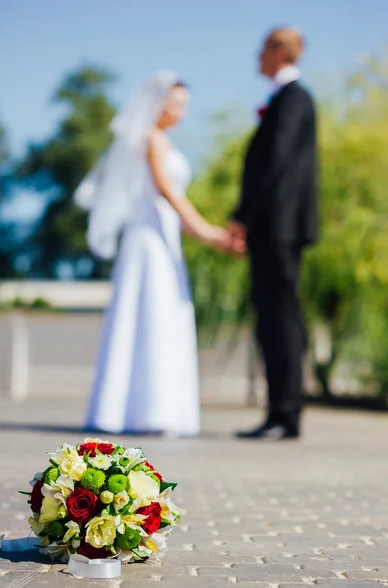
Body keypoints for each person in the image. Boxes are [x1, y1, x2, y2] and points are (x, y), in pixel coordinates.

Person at [74, 70, 242, 436]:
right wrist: (209, 233)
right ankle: (142, 411)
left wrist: (201, 232)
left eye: (185, 105)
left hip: (164, 235)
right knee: (149, 312)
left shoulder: (162, 141)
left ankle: (155, 409)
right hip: (148, 239)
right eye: (177, 103)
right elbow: (168, 193)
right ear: (157, 102)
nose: (181, 112)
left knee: (163, 316)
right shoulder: (152, 140)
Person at [230, 27, 317, 441]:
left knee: (281, 320)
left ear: (280, 53)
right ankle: (278, 412)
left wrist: (243, 217)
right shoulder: (285, 100)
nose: (256, 56)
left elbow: (274, 165)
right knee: (272, 320)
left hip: (278, 230)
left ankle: (285, 414)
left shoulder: (293, 98)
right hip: (274, 230)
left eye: (262, 49)